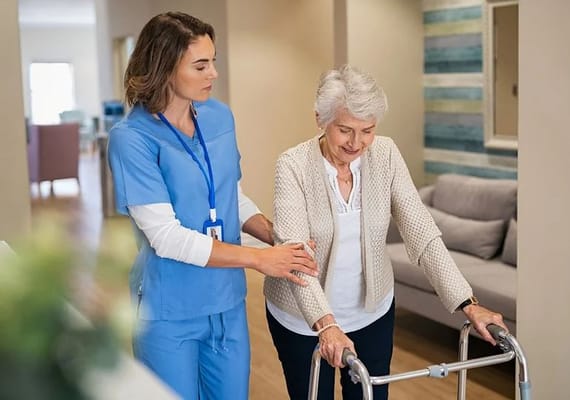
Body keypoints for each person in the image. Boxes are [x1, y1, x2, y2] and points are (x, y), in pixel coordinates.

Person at [107, 12, 317, 400]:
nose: (213, 74)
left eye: (213, 61)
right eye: (201, 65)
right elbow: (166, 238)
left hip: (226, 303)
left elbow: (229, 195)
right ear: (165, 67)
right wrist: (259, 260)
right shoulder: (131, 139)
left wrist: (274, 235)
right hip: (168, 309)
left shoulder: (220, 117)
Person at [263, 64, 507, 400]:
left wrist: (468, 303)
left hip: (371, 312)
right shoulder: (293, 165)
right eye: (345, 130)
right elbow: (296, 257)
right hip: (303, 318)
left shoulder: (386, 154)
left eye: (368, 130)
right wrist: (327, 324)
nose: (357, 143)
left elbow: (421, 231)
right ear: (320, 119)